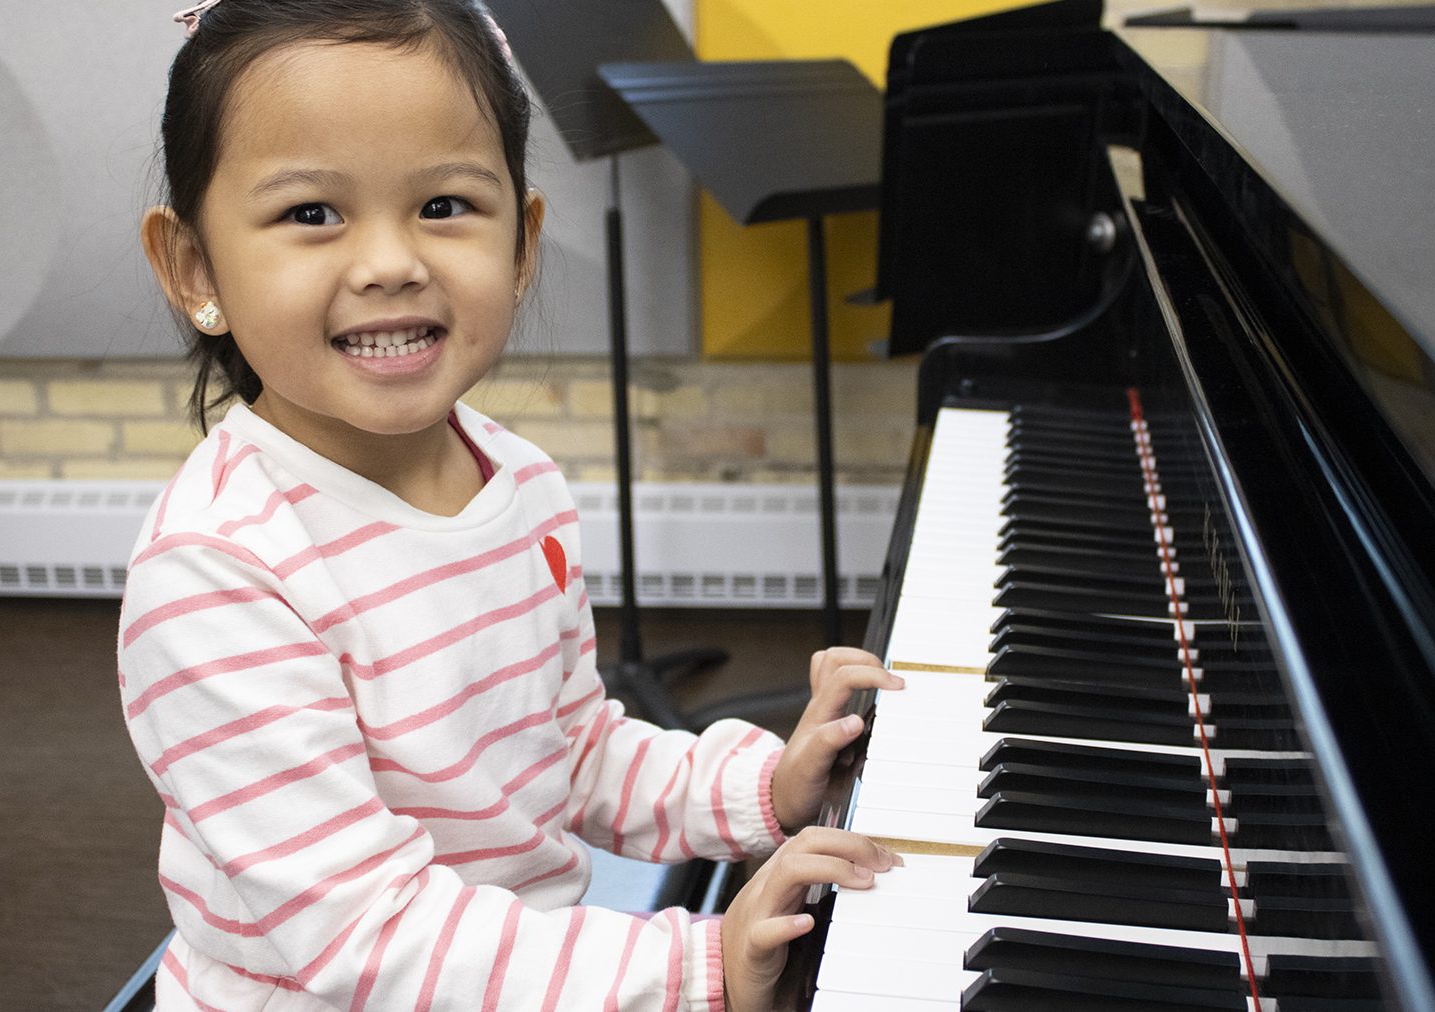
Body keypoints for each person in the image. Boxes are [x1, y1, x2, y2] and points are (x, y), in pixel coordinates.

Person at [119, 1, 905, 1008]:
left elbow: (569, 753)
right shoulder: (218, 568)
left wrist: (762, 789)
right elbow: (365, 931)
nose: (391, 262)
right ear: (194, 267)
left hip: (527, 972)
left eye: (444, 204)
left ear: (523, 240)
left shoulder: (517, 479)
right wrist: (695, 966)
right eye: (311, 213)